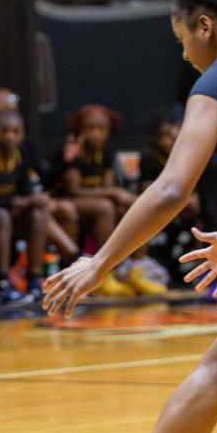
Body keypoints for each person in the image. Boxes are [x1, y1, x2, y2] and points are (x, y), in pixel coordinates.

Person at [43, 0, 217, 433]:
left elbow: (172, 187)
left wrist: (97, 263)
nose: (185, 54)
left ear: (205, 26)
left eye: (182, 41)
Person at [54, 104, 166, 297]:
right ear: (79, 129)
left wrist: (117, 195)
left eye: (101, 129)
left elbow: (106, 187)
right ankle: (103, 273)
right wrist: (114, 192)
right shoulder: (74, 151)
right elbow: (73, 190)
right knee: (105, 207)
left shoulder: (105, 152)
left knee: (135, 204)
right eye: (90, 128)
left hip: (93, 202)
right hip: (68, 202)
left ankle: (136, 269)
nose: (96, 134)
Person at [0, 110, 80, 300]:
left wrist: (36, 199)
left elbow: (26, 189)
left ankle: (35, 279)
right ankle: (3, 281)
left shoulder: (20, 152)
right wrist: (26, 201)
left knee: (39, 213)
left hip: (15, 208)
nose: (10, 136)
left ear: (22, 134)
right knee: (3, 215)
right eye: (5, 131)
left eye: (15, 132)